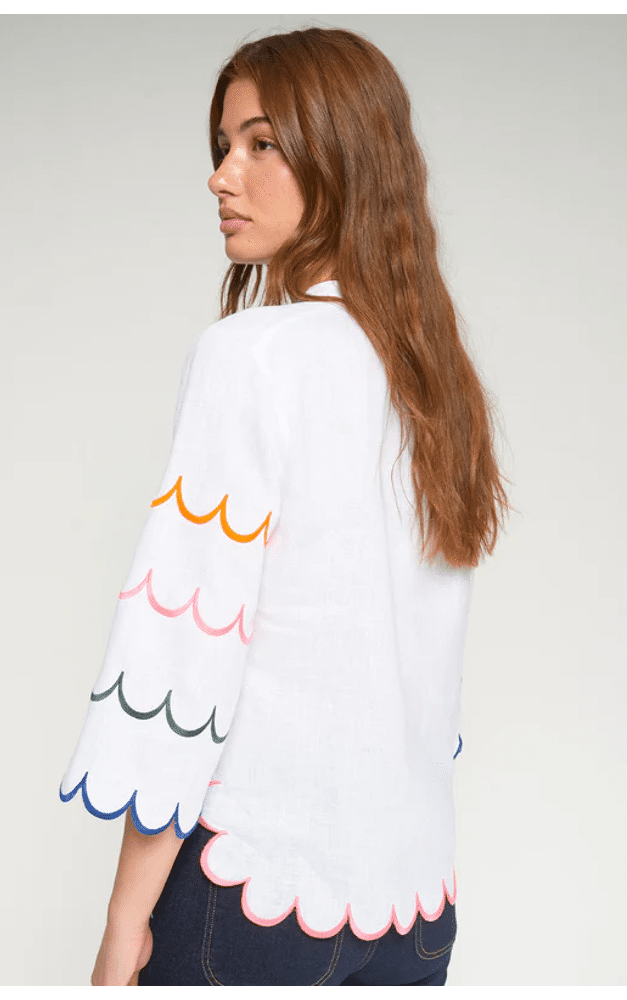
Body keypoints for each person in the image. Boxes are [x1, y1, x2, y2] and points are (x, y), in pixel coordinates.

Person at [58, 25, 514, 986]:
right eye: (224, 145)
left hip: (256, 887)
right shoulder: (436, 380)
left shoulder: (250, 356)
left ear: (344, 156)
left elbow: (186, 655)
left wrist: (122, 922)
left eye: (261, 144)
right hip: (415, 905)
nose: (222, 176)